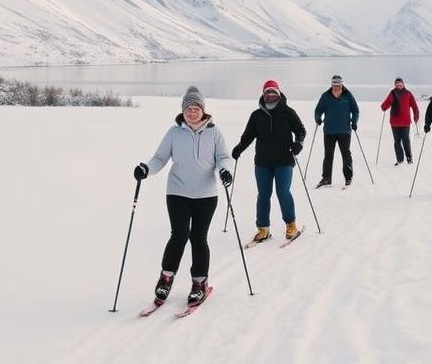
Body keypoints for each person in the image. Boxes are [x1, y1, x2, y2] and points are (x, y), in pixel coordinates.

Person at [133, 86, 231, 307]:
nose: (192, 112)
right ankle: (166, 278)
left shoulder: (214, 132)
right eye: (188, 108)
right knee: (178, 235)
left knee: (198, 237)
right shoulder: (174, 133)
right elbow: (159, 158)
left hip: (206, 194)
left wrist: (226, 170)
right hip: (177, 191)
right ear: (183, 110)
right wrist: (146, 169)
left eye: (196, 108)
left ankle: (199, 283)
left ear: (203, 110)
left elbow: (224, 157)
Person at [232, 79, 306, 243]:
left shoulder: (288, 112)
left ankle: (291, 225)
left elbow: (300, 130)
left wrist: (298, 144)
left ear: (279, 94)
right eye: (268, 92)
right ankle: (263, 229)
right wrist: (239, 148)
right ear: (263, 95)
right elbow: (248, 136)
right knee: (263, 195)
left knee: (283, 192)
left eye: (274, 92)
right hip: (263, 162)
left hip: (284, 160)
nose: (271, 95)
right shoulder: (256, 115)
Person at [314, 74, 359, 187]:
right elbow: (318, 109)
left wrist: (354, 122)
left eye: (338, 84)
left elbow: (355, 110)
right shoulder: (325, 96)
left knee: (346, 154)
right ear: (332, 84)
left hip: (344, 131)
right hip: (329, 131)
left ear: (341, 84)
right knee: (328, 155)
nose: (336, 87)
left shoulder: (348, 95)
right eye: (334, 84)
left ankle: (348, 177)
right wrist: (317, 117)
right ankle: (326, 178)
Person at [381, 77, 420, 165]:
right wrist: (384, 107)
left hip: (405, 122)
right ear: (395, 85)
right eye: (397, 85)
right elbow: (386, 103)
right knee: (397, 141)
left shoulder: (408, 94)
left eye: (400, 85)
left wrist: (416, 115)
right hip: (395, 122)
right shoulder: (392, 94)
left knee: (406, 140)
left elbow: (414, 105)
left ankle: (409, 158)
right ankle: (400, 159)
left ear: (403, 85)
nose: (399, 86)